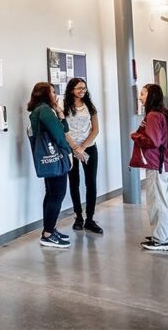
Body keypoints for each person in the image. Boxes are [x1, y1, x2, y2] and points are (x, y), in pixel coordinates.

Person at [27, 82, 73, 248]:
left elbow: (62, 127)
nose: (55, 95)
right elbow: (59, 134)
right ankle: (47, 234)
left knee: (51, 193)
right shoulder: (44, 110)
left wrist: (60, 112)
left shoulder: (39, 110)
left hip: (48, 158)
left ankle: (49, 230)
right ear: (45, 94)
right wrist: (68, 152)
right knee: (57, 195)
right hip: (55, 156)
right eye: (53, 92)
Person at [130, 84, 168, 251]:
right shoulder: (162, 113)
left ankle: (161, 240)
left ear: (151, 96)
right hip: (163, 164)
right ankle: (166, 235)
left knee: (157, 203)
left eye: (142, 94)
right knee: (164, 201)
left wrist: (135, 136)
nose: (140, 97)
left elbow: (153, 142)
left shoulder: (153, 116)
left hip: (157, 165)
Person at [63, 78, 103, 234]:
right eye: (79, 88)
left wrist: (83, 147)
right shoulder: (64, 106)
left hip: (89, 148)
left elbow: (95, 130)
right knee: (74, 182)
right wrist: (75, 148)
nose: (82, 91)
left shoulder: (90, 107)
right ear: (71, 89)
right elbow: (63, 129)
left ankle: (90, 219)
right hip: (71, 149)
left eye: (84, 88)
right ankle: (78, 217)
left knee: (91, 183)